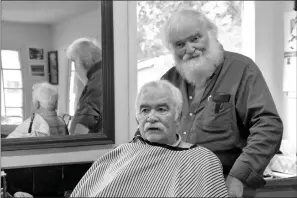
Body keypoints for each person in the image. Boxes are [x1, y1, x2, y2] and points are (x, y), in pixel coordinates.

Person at [148, 7, 283, 197]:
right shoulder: (168, 80)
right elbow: (150, 127)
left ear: (211, 33)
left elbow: (269, 126)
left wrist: (240, 175)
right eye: (180, 44)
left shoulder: (242, 69)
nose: (189, 49)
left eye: (195, 38)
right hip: (174, 185)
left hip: (225, 184)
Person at [70, 80, 229, 197]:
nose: (151, 118)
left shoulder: (202, 160)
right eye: (145, 110)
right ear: (137, 118)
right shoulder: (118, 154)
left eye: (161, 109)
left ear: (178, 117)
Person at [66, 37, 103, 135]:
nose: (76, 70)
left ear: (85, 60)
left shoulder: (96, 81)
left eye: (75, 62)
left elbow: (86, 121)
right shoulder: (101, 75)